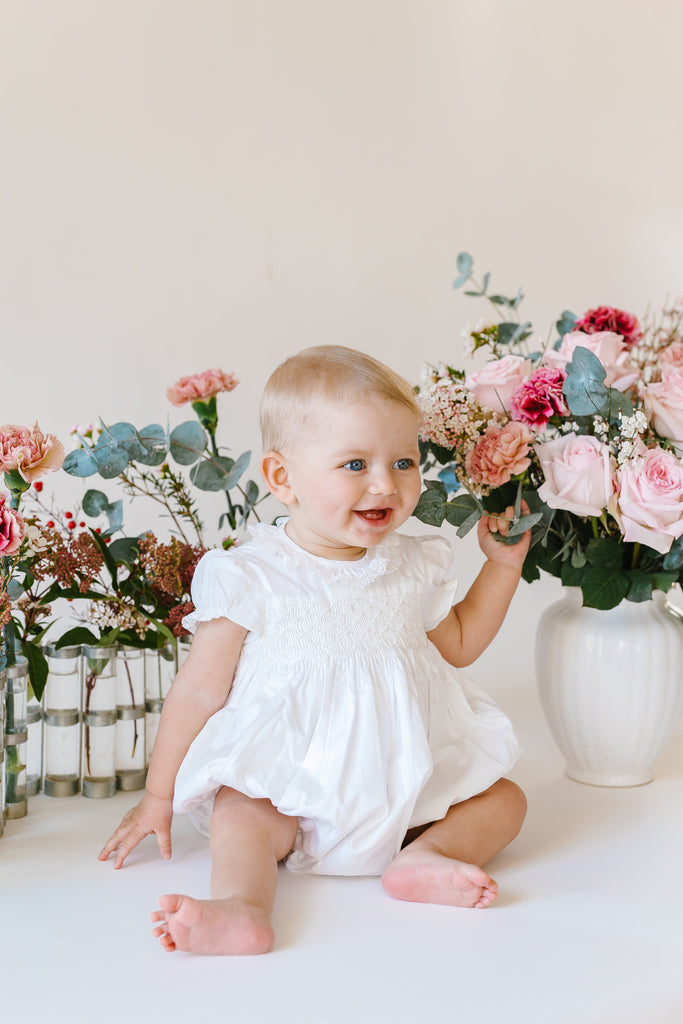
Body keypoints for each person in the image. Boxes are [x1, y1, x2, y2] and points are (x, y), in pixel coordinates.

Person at [99, 344, 528, 956]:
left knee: (504, 799)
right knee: (239, 813)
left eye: (404, 460)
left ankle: (426, 857)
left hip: (407, 787)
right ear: (283, 479)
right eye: (355, 464)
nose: (386, 483)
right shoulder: (252, 575)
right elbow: (199, 689)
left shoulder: (411, 563)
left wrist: (503, 566)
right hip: (289, 791)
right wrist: (159, 795)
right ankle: (244, 907)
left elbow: (458, 643)